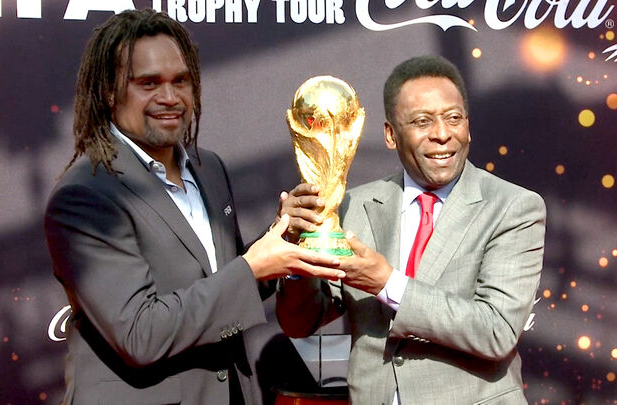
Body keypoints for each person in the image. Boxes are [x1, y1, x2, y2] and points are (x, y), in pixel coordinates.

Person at [44, 9, 343, 405]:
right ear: (109, 92)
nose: (170, 98)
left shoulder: (208, 168)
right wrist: (253, 266)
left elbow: (222, 283)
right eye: (149, 83)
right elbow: (139, 335)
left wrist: (280, 240)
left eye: (180, 81)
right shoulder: (85, 195)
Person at [275, 55, 546, 404]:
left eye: (454, 118)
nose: (442, 134)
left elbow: (496, 332)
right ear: (391, 135)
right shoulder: (353, 205)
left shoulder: (513, 207)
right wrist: (297, 250)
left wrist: (388, 284)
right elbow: (301, 323)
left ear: (468, 126)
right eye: (422, 121)